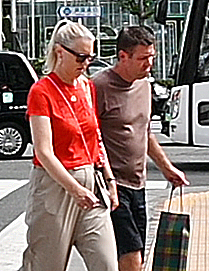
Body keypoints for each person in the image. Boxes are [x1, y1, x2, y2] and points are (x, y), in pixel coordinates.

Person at [92, 26, 189, 271]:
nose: (150, 64)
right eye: (143, 58)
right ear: (123, 56)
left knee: (136, 254)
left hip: (138, 183)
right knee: (131, 253)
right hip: (111, 184)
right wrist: (106, 178)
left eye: (152, 57)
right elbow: (90, 136)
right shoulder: (99, 86)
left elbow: (144, 132)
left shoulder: (144, 85)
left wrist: (167, 168)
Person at [22, 20, 116, 271]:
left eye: (91, 58)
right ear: (60, 52)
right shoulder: (41, 91)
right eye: (81, 57)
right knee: (46, 266)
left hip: (91, 182)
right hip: (55, 185)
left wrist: (110, 180)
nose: (86, 64)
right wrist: (75, 189)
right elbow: (43, 151)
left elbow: (95, 136)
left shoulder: (87, 87)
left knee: (106, 264)